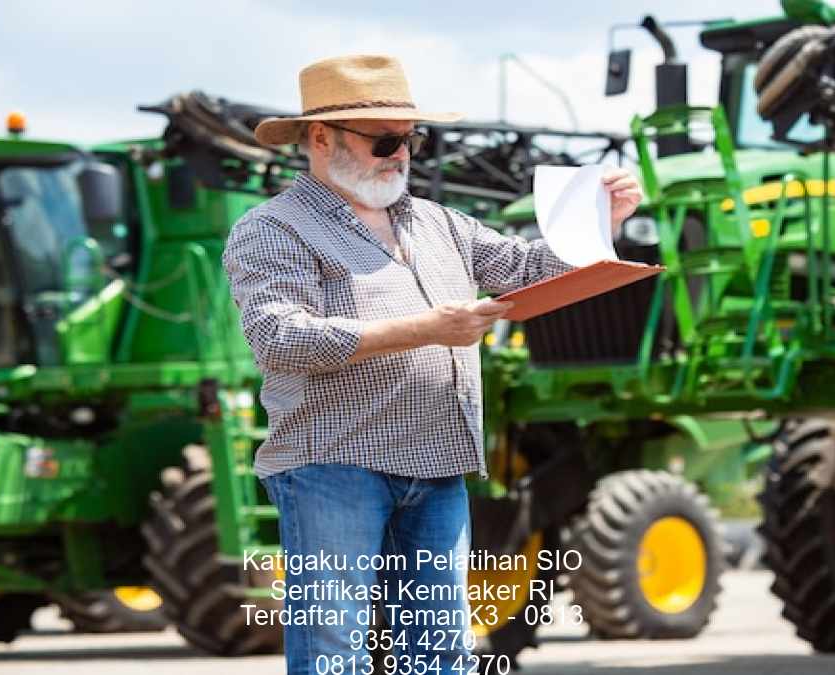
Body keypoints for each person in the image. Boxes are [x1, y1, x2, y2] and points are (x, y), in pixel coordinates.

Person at [223, 54, 642, 675]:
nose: (401, 155)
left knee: (441, 654)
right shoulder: (272, 229)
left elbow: (526, 269)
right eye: (384, 141)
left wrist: (599, 223)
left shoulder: (438, 222)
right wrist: (426, 329)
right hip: (334, 465)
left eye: (410, 140)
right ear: (321, 138)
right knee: (334, 653)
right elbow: (279, 337)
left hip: (437, 463)